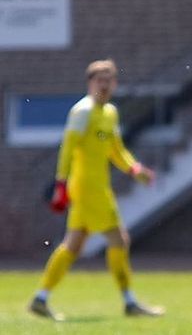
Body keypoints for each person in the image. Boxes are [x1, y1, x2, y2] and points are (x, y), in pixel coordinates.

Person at [29, 59, 164, 321]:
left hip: (95, 187)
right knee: (119, 240)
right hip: (88, 188)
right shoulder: (83, 111)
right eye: (98, 80)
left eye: (108, 80)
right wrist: (61, 184)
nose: (103, 85)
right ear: (90, 83)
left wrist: (135, 169)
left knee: (73, 245)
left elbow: (116, 149)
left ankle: (40, 298)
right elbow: (68, 148)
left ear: (114, 83)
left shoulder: (110, 112)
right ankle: (129, 302)